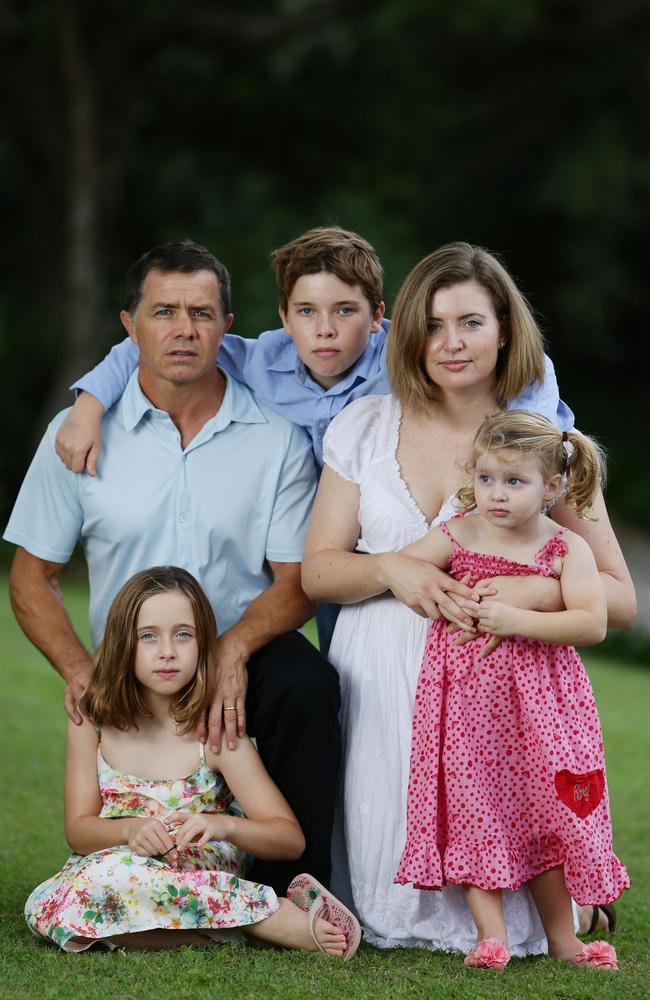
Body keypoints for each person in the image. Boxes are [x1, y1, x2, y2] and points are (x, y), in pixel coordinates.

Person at [301, 243, 636, 954]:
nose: (450, 343)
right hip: (381, 695)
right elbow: (319, 574)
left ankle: (566, 912)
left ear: (507, 330)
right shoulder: (362, 427)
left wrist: (532, 589)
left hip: (501, 703)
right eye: (433, 324)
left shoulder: (550, 447)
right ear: (407, 334)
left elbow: (619, 600)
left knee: (515, 855)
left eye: (472, 323)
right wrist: (394, 569)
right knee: (388, 901)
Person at [53, 227, 573, 656]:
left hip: (407, 520)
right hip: (315, 533)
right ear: (283, 318)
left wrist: (529, 441)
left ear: (379, 318)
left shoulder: (411, 354)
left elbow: (529, 371)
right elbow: (155, 343)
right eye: (306, 312)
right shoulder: (259, 359)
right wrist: (89, 404)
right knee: (338, 657)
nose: (324, 331)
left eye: (345, 311)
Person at [4, 240, 340, 896]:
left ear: (228, 327)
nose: (183, 330)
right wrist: (83, 673)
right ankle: (147, 862)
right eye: (164, 312)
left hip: (245, 646)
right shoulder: (76, 433)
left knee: (309, 686)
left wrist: (232, 652)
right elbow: (30, 576)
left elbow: (296, 580)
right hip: (135, 657)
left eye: (202, 314)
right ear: (129, 327)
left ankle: (293, 889)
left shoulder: (275, 438)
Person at [393, 412, 628, 971]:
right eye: (487, 479)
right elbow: (405, 567)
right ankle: (489, 937)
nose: (496, 495)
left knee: (548, 814)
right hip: (467, 704)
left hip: (544, 707)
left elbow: (591, 623)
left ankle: (563, 939)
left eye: (515, 482)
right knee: (477, 810)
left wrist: (513, 616)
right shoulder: (460, 531)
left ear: (552, 487)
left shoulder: (567, 547)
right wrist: (447, 591)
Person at [25, 566, 360, 957]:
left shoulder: (214, 731)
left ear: (205, 644)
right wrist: (129, 831)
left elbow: (288, 839)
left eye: (183, 634)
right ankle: (253, 921)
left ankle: (240, 913)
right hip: (120, 866)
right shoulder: (93, 720)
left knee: (95, 891)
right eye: (148, 636)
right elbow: (79, 831)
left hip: (198, 871)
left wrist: (222, 825)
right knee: (57, 902)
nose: (167, 651)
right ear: (121, 643)